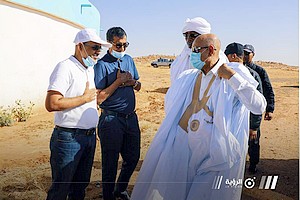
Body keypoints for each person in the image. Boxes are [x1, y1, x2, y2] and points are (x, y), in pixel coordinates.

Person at [131, 34, 266, 200]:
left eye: (195, 50)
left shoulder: (234, 72)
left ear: (210, 50)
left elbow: (258, 106)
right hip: (187, 152)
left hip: (216, 158)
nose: (192, 54)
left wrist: (231, 76)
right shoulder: (189, 77)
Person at [45, 28, 111, 200]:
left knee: (79, 189)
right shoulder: (65, 67)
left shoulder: (89, 69)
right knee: (60, 190)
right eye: (94, 47)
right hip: (69, 139)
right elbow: (52, 103)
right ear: (80, 46)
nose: (98, 52)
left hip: (88, 138)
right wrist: (84, 98)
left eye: (100, 48)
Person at [94, 27, 141, 200]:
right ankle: (108, 196)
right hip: (111, 120)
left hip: (131, 118)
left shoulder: (129, 60)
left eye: (125, 45)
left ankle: (120, 189)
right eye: (118, 45)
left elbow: (139, 85)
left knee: (133, 157)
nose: (122, 49)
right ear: (110, 44)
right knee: (110, 164)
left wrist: (132, 82)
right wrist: (117, 82)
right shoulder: (101, 65)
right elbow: (98, 98)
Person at [225, 43, 263, 174]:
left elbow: (258, 102)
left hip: (248, 121)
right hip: (232, 123)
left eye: (227, 56)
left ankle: (252, 166)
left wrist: (254, 127)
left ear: (234, 56)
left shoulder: (252, 74)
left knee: (251, 146)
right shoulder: (224, 72)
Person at [243, 44, 275, 173]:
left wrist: (270, 109)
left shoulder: (259, 72)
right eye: (243, 53)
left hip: (254, 111)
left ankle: (253, 164)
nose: (245, 56)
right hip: (242, 110)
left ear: (253, 55)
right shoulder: (238, 69)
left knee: (254, 138)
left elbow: (268, 90)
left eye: (247, 53)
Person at [170, 17, 228, 85]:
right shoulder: (181, 59)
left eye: (193, 35)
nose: (188, 39)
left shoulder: (219, 59)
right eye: (186, 35)